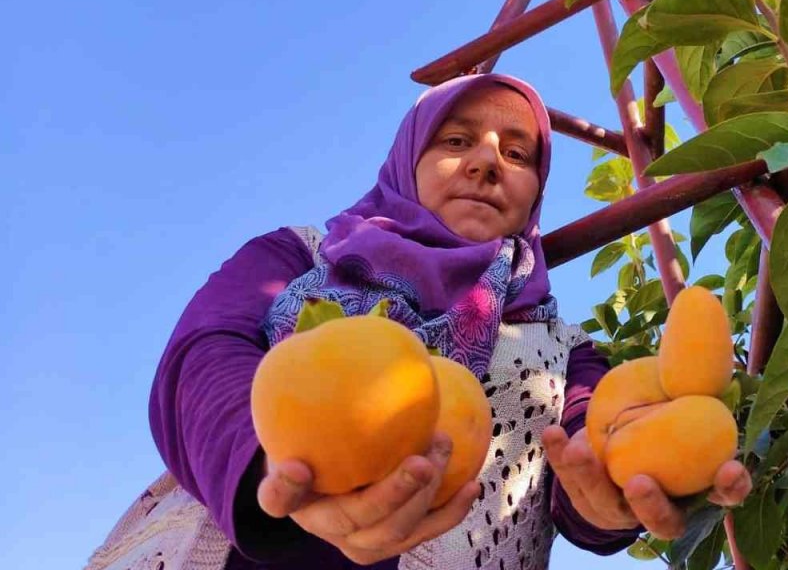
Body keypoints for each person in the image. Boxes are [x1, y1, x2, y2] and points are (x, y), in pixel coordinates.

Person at [88, 73, 751, 570]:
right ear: (407, 161)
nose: (489, 161)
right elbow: (202, 356)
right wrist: (273, 472)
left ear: (535, 196)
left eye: (519, 155)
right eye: (457, 140)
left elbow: (586, 447)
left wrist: (609, 501)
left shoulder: (565, 351)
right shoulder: (300, 254)